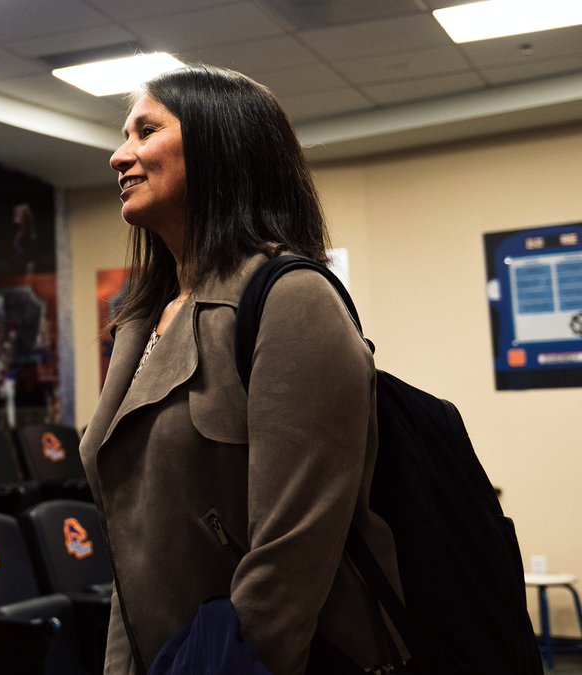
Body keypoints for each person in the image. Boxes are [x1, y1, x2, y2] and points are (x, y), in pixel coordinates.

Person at [79, 64, 407, 675]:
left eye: (145, 131)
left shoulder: (290, 298)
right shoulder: (139, 319)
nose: (119, 156)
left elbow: (294, 551)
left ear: (218, 144)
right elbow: (133, 553)